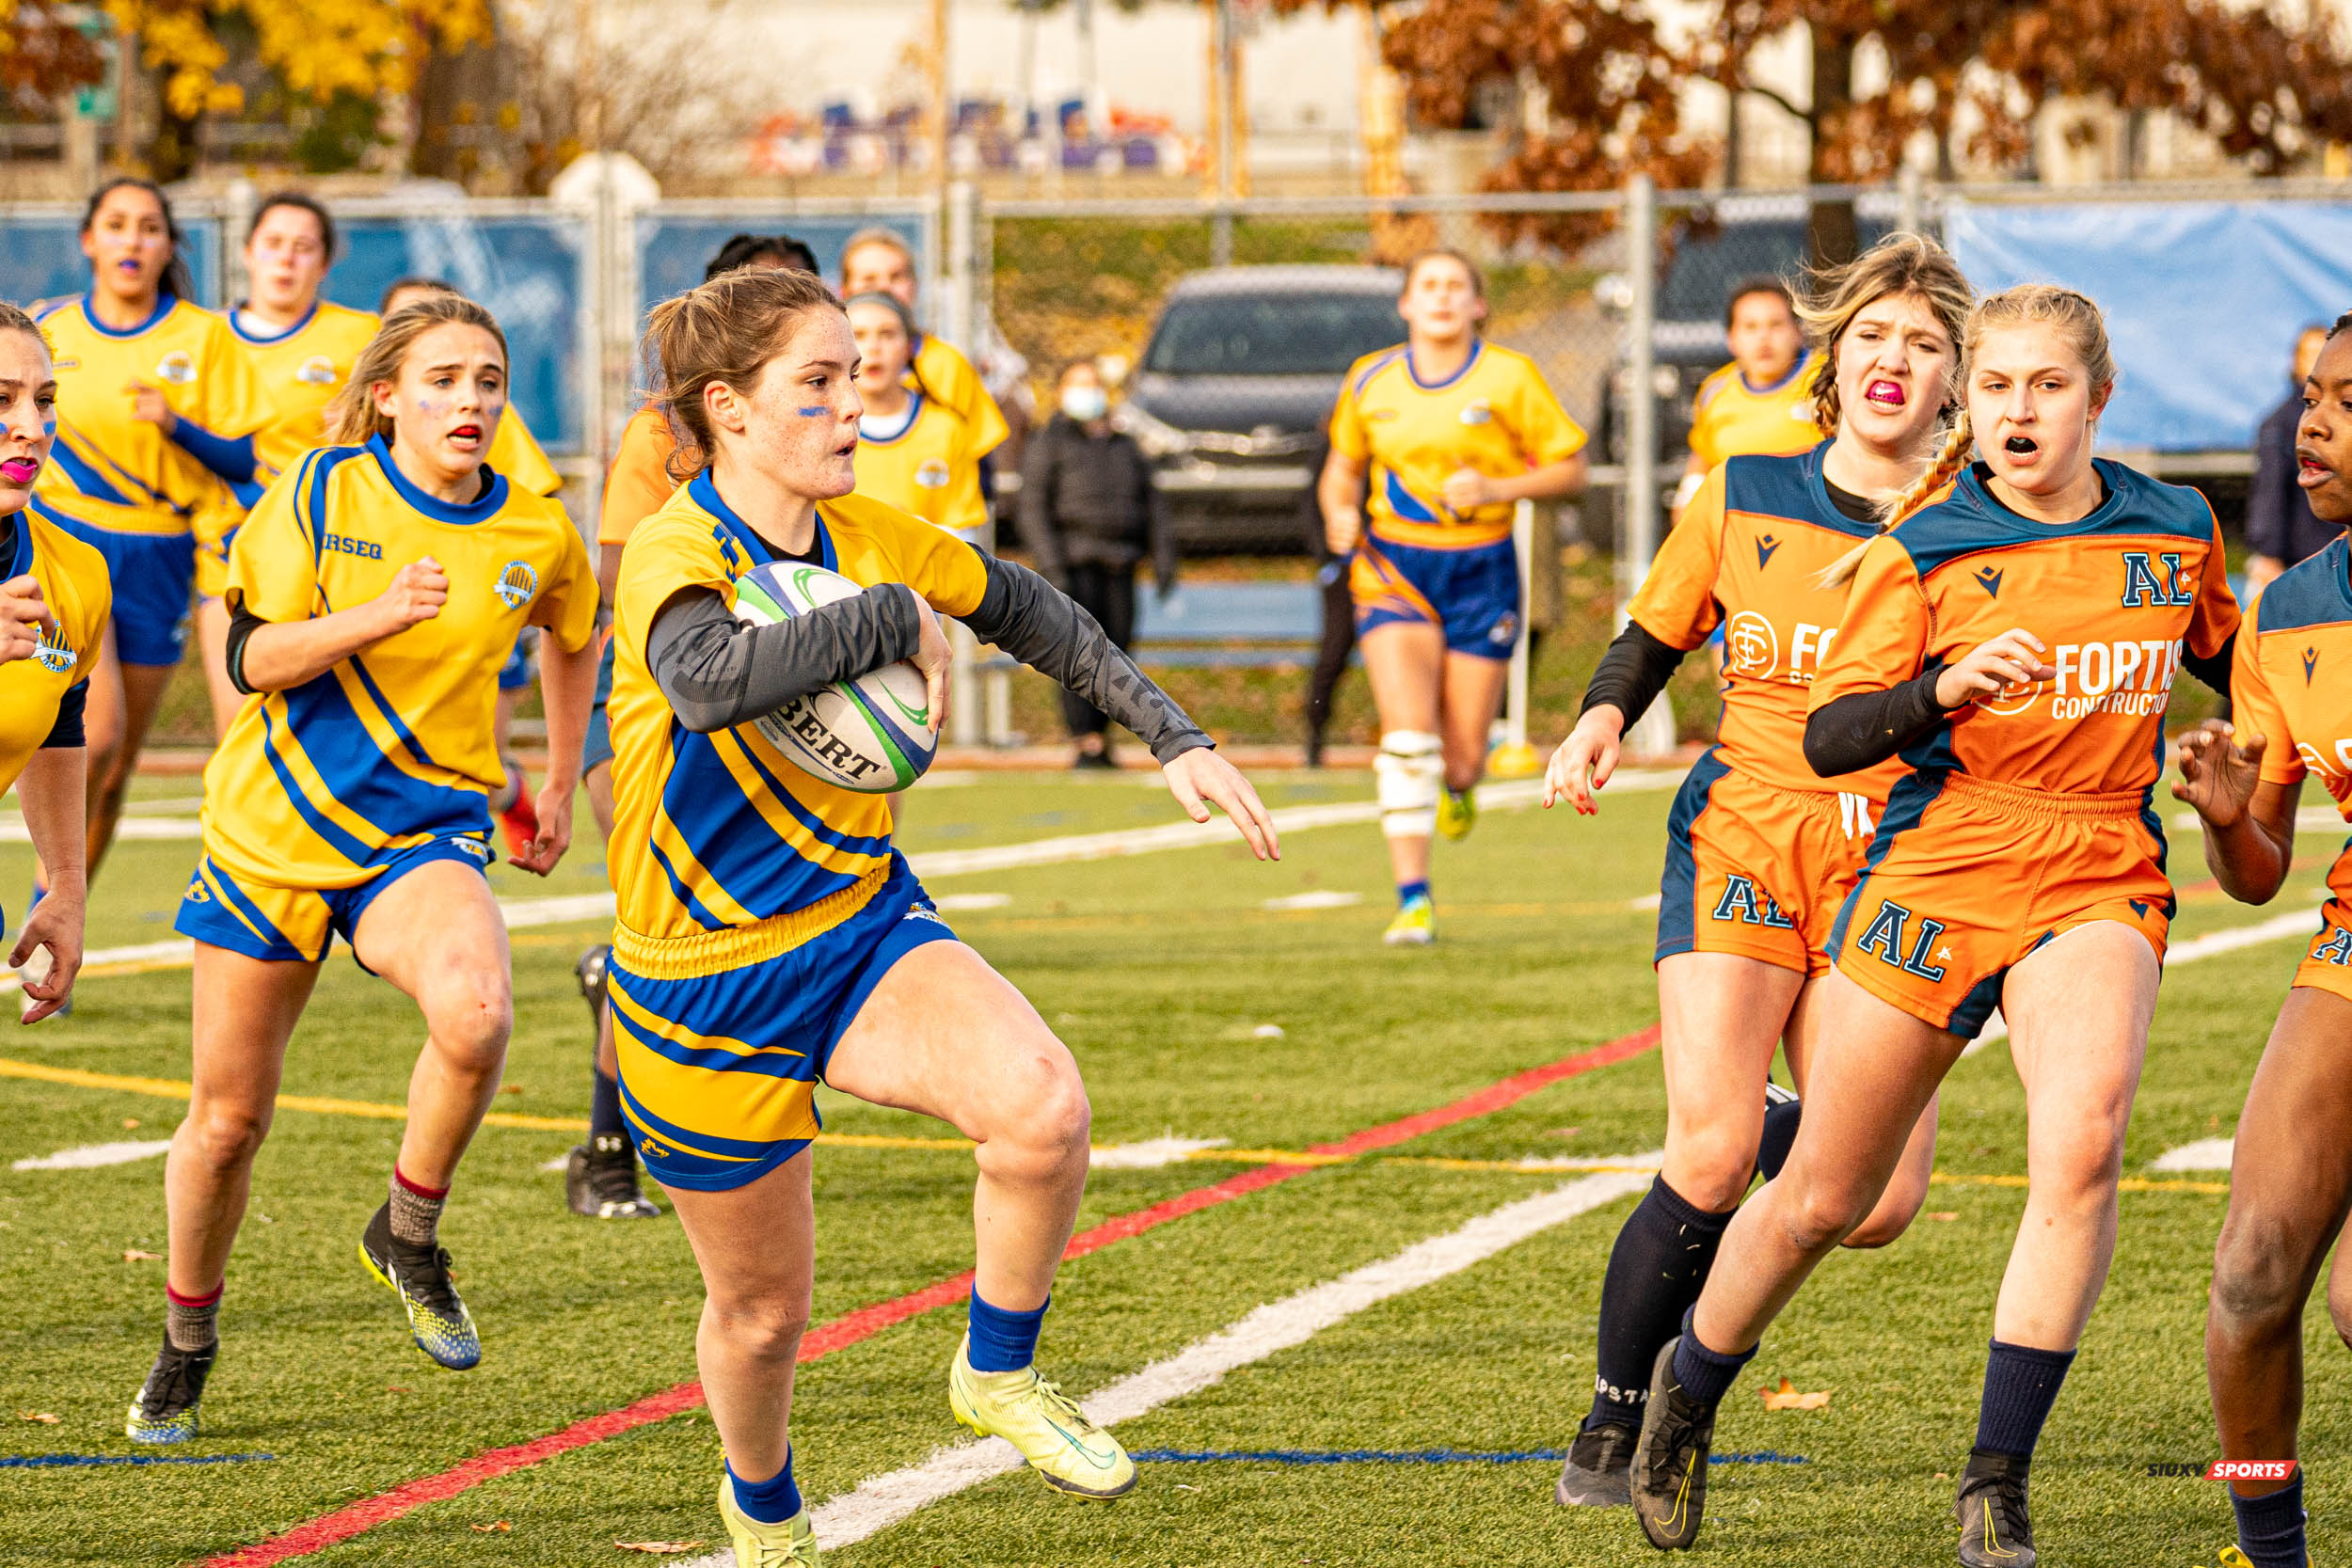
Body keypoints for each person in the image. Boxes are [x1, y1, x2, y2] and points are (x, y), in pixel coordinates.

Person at [604, 266, 1277, 1563]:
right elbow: (705, 680)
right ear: (729, 409)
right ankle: (764, 1503)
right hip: (701, 980)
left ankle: (997, 1369)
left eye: (853, 373)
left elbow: (1034, 609)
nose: (853, 403)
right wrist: (886, 624)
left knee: (1043, 1106)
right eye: (817, 381)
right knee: (759, 1314)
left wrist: (1172, 736)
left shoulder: (877, 530)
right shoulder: (677, 549)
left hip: (858, 927)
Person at [1627, 285, 2241, 1564]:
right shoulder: (1924, 543)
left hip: (2097, 867)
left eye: (2049, 386)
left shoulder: (2178, 531)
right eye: (2001, 385)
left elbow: (2250, 668)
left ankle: (1995, 1483)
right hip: (1936, 868)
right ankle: (1688, 1387)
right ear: (1978, 401)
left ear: (2098, 398)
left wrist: (2252, 767)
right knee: (1825, 1197)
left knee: (2080, 1148)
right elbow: (1830, 731)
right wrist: (1940, 687)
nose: (2021, 409)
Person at [1543, 234, 1970, 1509]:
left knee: (1883, 1196)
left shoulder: (1970, 529)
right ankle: (1616, 1419)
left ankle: (1764, 1149)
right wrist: (1600, 715)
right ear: (1837, 359)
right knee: (1717, 1146)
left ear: (1956, 383)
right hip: (1743, 832)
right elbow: (1656, 628)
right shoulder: (1744, 486)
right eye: (1878, 337)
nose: (1897, 360)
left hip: (1894, 862)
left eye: (1928, 345)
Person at [125, 293, 598, 1443]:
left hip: (419, 834)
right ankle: (188, 1335)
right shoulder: (319, 493)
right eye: (442, 380)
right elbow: (248, 654)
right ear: (386, 395)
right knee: (229, 1122)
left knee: (481, 1013)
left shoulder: (534, 530)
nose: (471, 401)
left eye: (488, 380)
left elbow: (576, 632)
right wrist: (375, 615)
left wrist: (559, 775)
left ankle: (409, 1228)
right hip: (270, 835)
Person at [565, 232, 818, 1223]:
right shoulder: (658, 442)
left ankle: (754, 1134)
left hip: (766, 706)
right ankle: (604, 1152)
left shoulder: (823, 433)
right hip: (649, 703)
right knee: (659, 920)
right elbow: (629, 588)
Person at [2178, 311, 2352, 1568]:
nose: (2313, 422)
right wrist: (2233, 820)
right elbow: (2260, 871)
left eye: (2345, 398)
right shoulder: (2288, 613)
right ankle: (2270, 1544)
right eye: (2309, 395)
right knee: (2251, 1276)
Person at [1318, 248, 1587, 945]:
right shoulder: (1369, 377)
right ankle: (1413, 899)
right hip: (1393, 567)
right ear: (1406, 304)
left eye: (1455, 286)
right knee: (1408, 739)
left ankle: (1459, 785)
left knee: (1461, 756)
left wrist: (1498, 489)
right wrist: (1338, 514)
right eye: (1426, 286)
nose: (1440, 297)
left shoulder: (1510, 377)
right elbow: (1341, 472)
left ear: (1477, 305)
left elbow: (1570, 469)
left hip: (1481, 568)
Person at [33, 179, 270, 898]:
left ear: (169, 244)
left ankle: (57, 926)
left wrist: (176, 424)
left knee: (113, 768)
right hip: (64, 540)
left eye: (148, 228)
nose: (132, 241)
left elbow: (244, 458)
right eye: (116, 225)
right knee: (92, 734)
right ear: (88, 240)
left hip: (161, 553)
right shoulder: (47, 328)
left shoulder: (204, 336)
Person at [375, 276, 564, 857]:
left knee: (471, 765)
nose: (470, 396)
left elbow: (539, 527)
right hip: (386, 644)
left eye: (486, 381)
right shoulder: (333, 474)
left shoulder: (480, 424)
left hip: (478, 618)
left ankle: (472, 842)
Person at [199, 192, 382, 734]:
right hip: (230, 550)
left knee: (323, 733)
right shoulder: (203, 337)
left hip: (332, 553)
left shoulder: (360, 335)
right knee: (241, 731)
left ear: (324, 264)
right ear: (248, 252)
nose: (286, 259)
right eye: (274, 244)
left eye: (303, 248)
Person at [0, 301, 110, 1028]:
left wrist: (65, 887)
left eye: (44, 401)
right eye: (0, 400)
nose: (31, 429)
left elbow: (58, 727)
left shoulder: (74, 572)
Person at [1017, 357, 1172, 768]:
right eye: (1077, 383)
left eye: (1093, 383)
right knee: (1076, 654)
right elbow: (1032, 507)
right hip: (1073, 565)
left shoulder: (1125, 444)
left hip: (1120, 565)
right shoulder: (1049, 443)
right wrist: (1052, 565)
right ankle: (1082, 739)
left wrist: (1164, 558)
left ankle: (1103, 739)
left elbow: (1152, 505)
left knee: (1118, 654)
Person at [836, 226, 1010, 481]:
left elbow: (978, 460)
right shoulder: (829, 364)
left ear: (914, 285)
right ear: (845, 290)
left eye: (896, 277)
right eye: (869, 279)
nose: (884, 288)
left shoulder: (948, 365)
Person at [846, 292, 988, 544]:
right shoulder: (824, 426)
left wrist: (906, 530)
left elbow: (965, 535)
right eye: (858, 335)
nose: (873, 347)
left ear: (910, 346)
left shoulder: (946, 429)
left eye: (887, 334)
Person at [1673, 278, 1818, 521]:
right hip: (1737, 528)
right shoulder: (1714, 391)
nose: (1763, 337)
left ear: (1798, 332)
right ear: (1731, 339)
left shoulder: (1826, 380)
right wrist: (1685, 503)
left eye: (1776, 325)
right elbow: (1702, 460)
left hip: (1812, 524)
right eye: (1750, 327)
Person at [2246, 323, 2335, 593]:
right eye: (2309, 354)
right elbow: (2270, 489)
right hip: (2300, 560)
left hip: (2339, 553)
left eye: (2324, 353)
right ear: (2295, 361)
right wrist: (2268, 553)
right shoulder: (2280, 424)